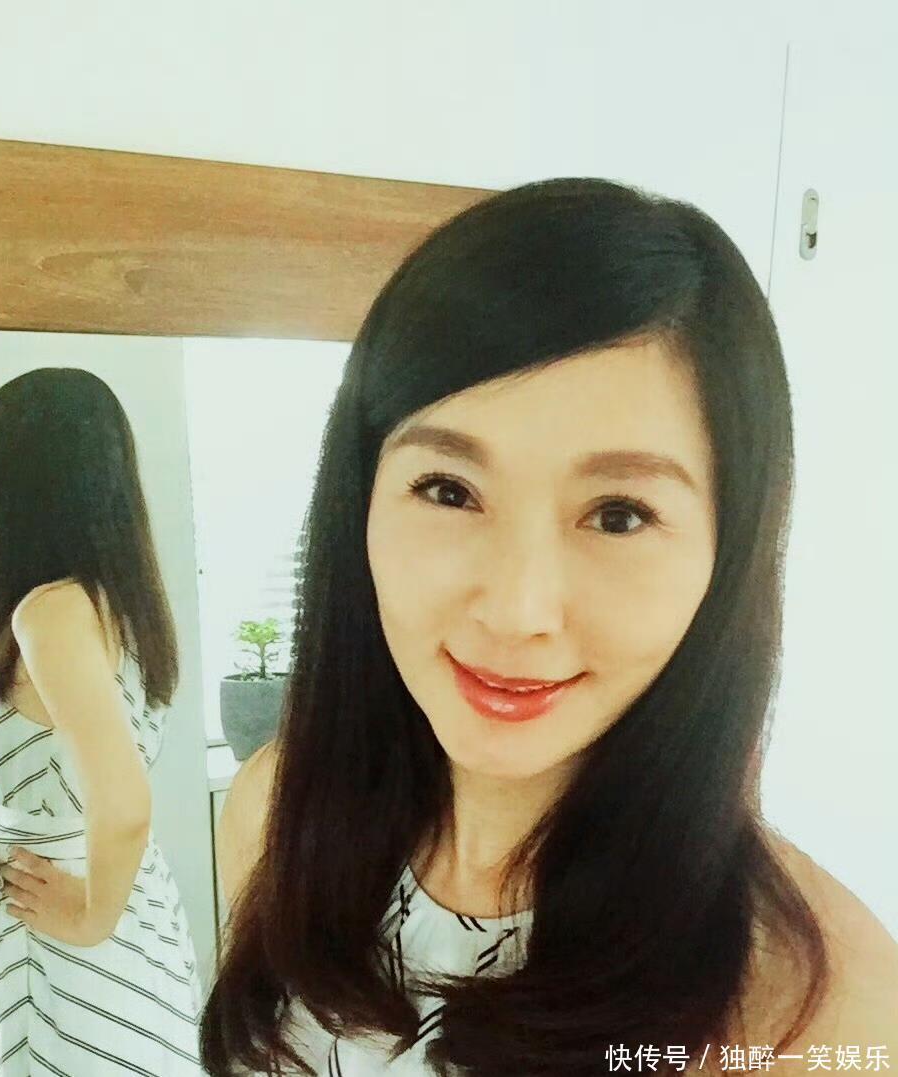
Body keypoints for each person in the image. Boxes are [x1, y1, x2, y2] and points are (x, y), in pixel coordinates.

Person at [201, 178, 898, 1077]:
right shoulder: (277, 814)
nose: (516, 611)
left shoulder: (813, 1005)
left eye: (618, 514)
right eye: (448, 489)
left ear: (727, 555)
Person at [0, 367, 203, 1075]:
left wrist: (89, 919)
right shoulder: (108, 605)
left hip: (65, 926)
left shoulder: (50, 614)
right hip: (117, 912)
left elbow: (124, 804)